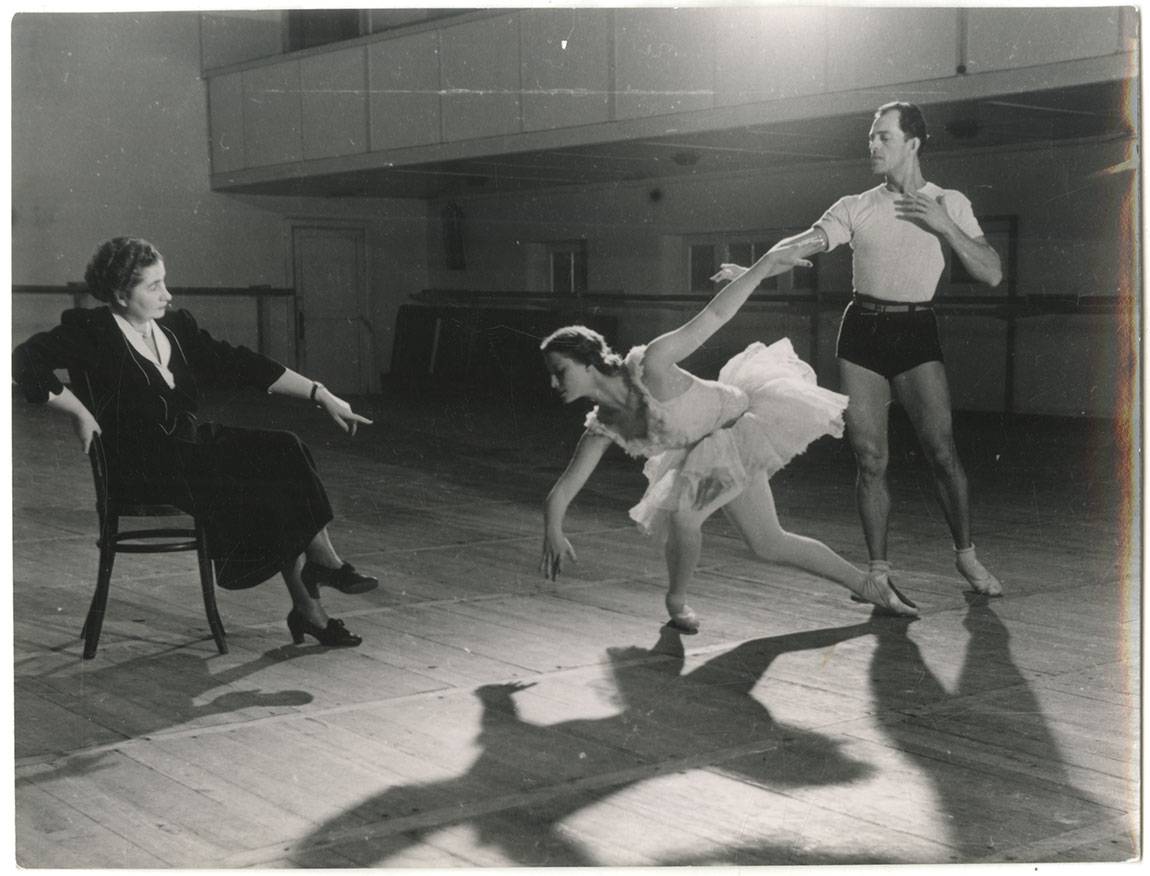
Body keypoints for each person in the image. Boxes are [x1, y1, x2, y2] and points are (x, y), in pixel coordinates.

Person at [12, 237, 378, 647]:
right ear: (120, 294)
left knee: (285, 447)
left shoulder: (175, 326)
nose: (167, 294)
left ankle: (320, 574)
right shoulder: (90, 330)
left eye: (164, 282)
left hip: (189, 450)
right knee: (267, 477)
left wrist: (320, 393)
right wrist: (78, 411)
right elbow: (21, 361)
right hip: (142, 466)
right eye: (154, 286)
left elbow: (240, 362)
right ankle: (314, 594)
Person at [539, 245, 919, 633]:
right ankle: (866, 585)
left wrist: (766, 264)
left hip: (739, 429)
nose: (553, 383)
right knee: (767, 543)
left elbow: (716, 315)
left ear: (589, 363)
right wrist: (553, 528)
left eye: (560, 371)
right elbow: (563, 489)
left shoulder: (652, 363)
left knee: (692, 516)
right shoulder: (603, 427)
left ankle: (677, 601)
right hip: (708, 452)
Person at [741, 101, 1004, 600]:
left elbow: (991, 272)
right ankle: (877, 573)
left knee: (942, 451)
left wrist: (945, 226)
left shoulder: (950, 201)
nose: (873, 145)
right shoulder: (855, 205)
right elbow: (803, 243)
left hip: (916, 330)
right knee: (869, 457)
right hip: (862, 329)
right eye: (871, 137)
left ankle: (966, 556)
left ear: (913, 143)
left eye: (884, 137)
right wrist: (752, 273)